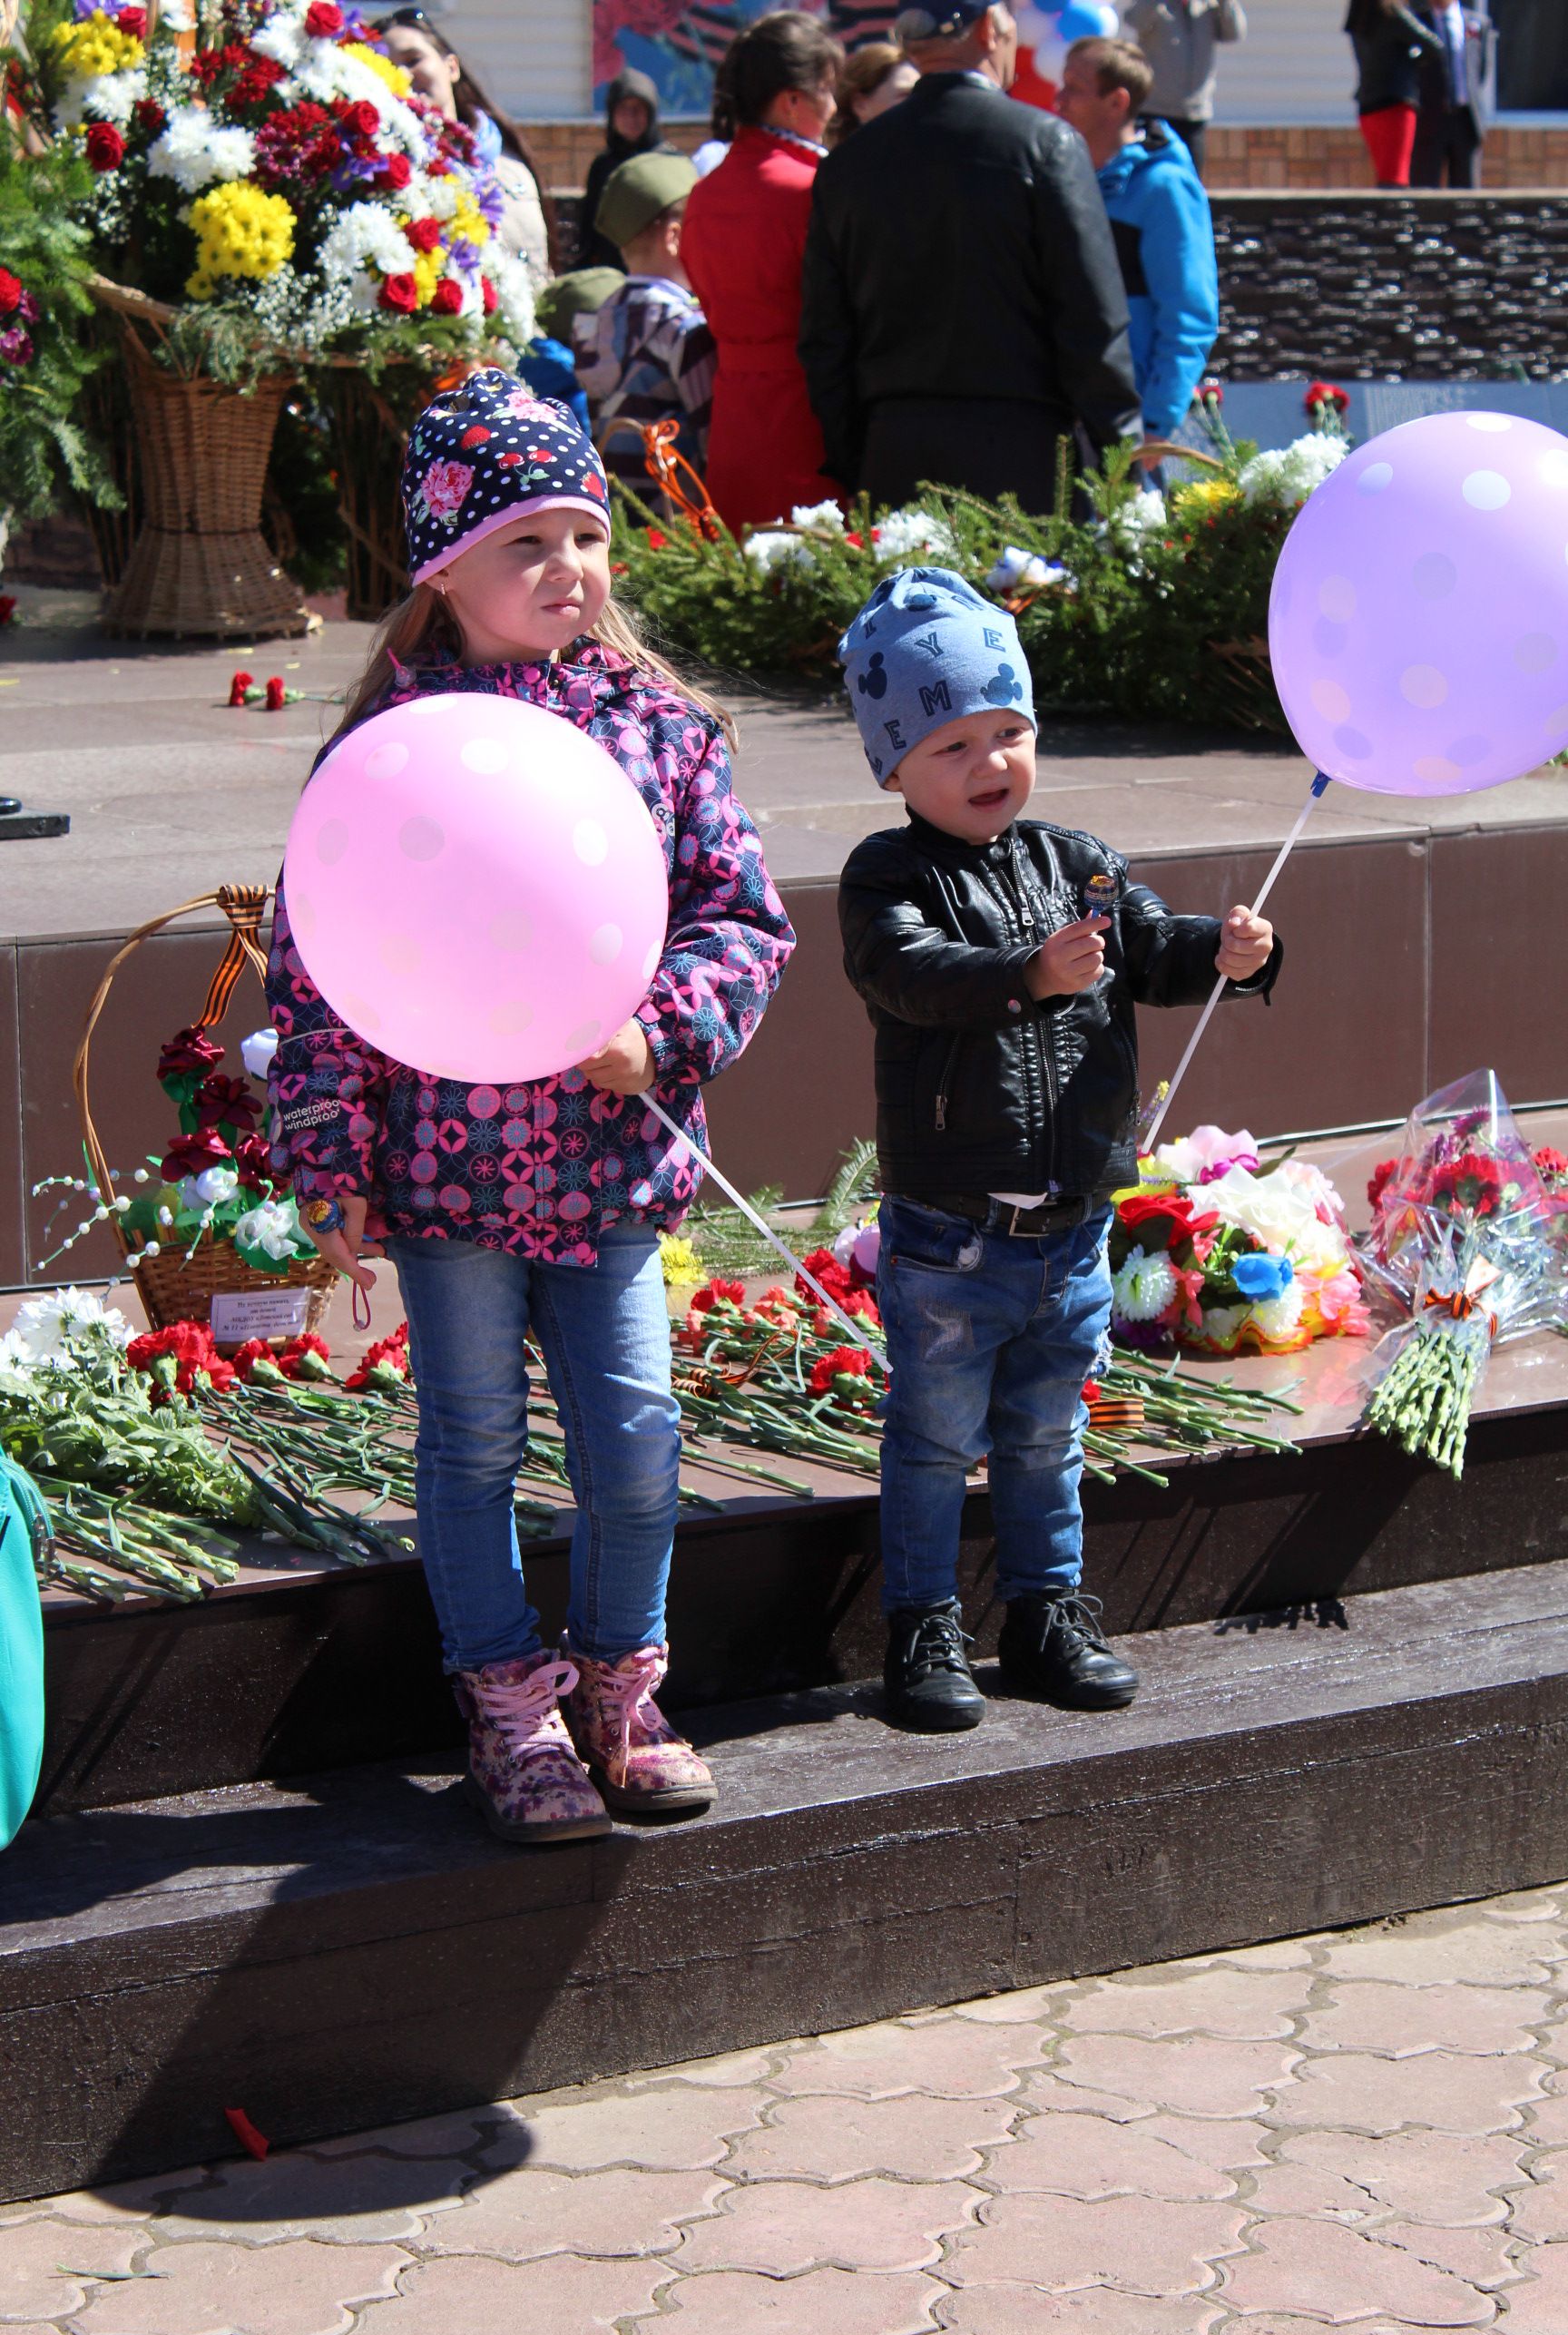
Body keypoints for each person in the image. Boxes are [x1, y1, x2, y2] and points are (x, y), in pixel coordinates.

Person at [266, 371, 794, 1843]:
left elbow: (739, 922)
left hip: (612, 1169)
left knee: (634, 1431)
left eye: (586, 533)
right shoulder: (386, 750)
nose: (569, 568)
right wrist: (327, 1159)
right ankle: (507, 1702)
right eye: (527, 543)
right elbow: (314, 968)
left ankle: (624, 1682)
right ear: (444, 565)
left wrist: (663, 1031)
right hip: (445, 1185)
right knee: (470, 1443)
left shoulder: (655, 729)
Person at [837, 570, 1280, 1732]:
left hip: (1072, 1221)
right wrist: (1028, 974)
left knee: (1048, 1430)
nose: (990, 764)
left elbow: (1148, 947)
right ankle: (924, 1623)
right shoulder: (888, 875)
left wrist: (1224, 951)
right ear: (892, 767)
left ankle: (1046, 1611)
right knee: (934, 1437)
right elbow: (909, 978)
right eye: (951, 746)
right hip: (951, 1228)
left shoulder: (1074, 856)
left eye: (1009, 733)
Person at [799, 0, 1142, 515]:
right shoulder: (1046, 144)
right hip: (1025, 459)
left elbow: (826, 339)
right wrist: (1123, 466)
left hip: (895, 451)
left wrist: (858, 462)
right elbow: (1093, 322)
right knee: (1021, 599)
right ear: (989, 30)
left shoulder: (847, 165)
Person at [680, 10, 846, 535]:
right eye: (827, 89)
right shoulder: (813, 187)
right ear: (792, 100)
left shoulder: (704, 193)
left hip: (734, 417)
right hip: (808, 414)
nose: (835, 105)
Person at [1056, 36, 1219, 445]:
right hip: (1067, 419)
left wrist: (1158, 423)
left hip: (1129, 428)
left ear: (1116, 102)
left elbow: (1189, 313)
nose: (1058, 99)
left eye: (1074, 88)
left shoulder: (1164, 188)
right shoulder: (1066, 180)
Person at [379, 8, 554, 289]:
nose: (402, 75)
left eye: (413, 60)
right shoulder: (390, 178)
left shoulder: (510, 160)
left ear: (451, 67)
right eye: (387, 69)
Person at [575, 152, 717, 495]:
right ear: (673, 236)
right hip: (679, 520)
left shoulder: (595, 319)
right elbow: (712, 438)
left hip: (619, 512)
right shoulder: (683, 327)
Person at [1122, 0, 1246, 181]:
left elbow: (1234, 33)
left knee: (1190, 182)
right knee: (1150, 181)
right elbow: (1134, 20)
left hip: (1194, 116)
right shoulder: (1159, 6)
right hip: (1154, 114)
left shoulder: (1207, 8)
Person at [577, 69, 677, 272]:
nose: (631, 117)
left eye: (638, 109)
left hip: (661, 274)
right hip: (612, 275)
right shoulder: (603, 167)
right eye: (623, 109)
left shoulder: (670, 163)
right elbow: (590, 229)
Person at [1344, 0, 1445, 188]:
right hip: (1395, 105)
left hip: (1368, 107)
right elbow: (1435, 46)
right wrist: (1411, 58)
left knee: (1384, 174)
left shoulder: (1358, 17)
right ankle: (1393, 217)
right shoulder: (1393, 14)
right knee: (1396, 178)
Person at [1411, 0, 1493, 188]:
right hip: (1428, 120)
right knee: (1424, 190)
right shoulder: (1416, 22)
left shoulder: (1478, 23)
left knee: (1467, 197)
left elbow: (1480, 70)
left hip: (1465, 119)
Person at [826, 40, 919, 143]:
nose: (920, 103)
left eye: (921, 93)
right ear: (860, 105)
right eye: (905, 95)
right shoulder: (843, 159)